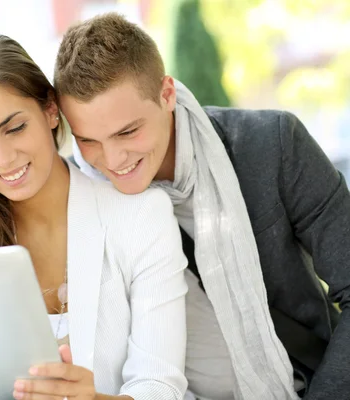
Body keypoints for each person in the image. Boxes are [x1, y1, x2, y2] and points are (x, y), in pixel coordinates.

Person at [55, 12, 350, 400]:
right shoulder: (77, 196)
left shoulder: (273, 146)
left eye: (128, 131)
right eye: (88, 140)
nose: (111, 159)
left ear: (166, 94)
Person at [0, 34, 191, 400]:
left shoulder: (140, 216)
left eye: (14, 128)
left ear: (50, 110)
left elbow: (161, 385)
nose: (2, 159)